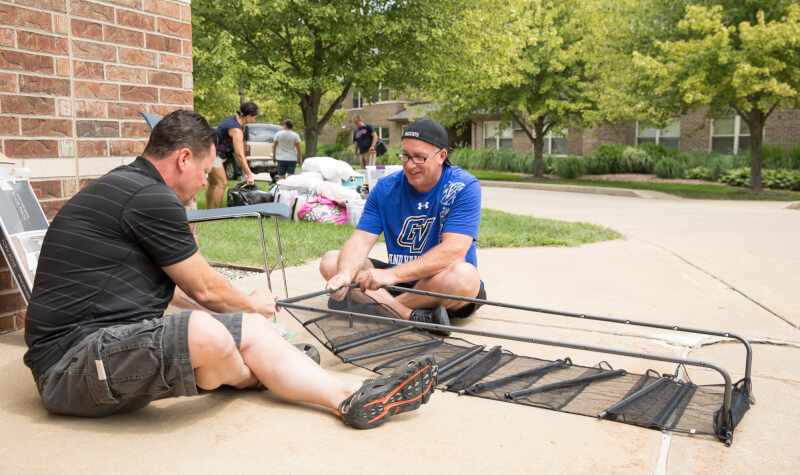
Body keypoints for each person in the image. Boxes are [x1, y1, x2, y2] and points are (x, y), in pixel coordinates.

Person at [22, 110, 437, 429]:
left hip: (106, 344)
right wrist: (250, 302)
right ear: (184, 158)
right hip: (70, 365)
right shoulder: (150, 197)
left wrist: (242, 316)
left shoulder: (130, 187)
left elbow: (178, 290)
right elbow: (206, 289)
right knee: (205, 331)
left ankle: (350, 396)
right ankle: (262, 371)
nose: (205, 183)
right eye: (204, 171)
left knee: (241, 329)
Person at [321, 117, 486, 328]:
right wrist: (345, 274)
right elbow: (360, 240)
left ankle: (372, 308)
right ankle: (408, 316)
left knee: (465, 276)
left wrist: (391, 275)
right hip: (396, 283)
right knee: (331, 261)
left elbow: (453, 252)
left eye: (419, 158)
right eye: (405, 156)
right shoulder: (385, 188)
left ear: (441, 156)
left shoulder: (464, 186)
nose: (409, 165)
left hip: (438, 283)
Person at [206, 102, 259, 209]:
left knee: (212, 183)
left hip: (208, 152)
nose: (254, 120)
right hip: (213, 155)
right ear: (248, 116)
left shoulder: (232, 119)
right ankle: (216, 213)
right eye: (254, 117)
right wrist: (249, 174)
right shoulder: (236, 130)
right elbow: (239, 154)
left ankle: (208, 210)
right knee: (222, 183)